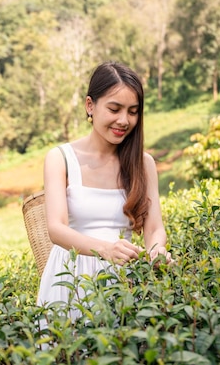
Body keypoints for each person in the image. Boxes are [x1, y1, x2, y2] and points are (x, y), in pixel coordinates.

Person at [36, 61, 171, 310]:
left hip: (125, 279)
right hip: (70, 278)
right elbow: (56, 229)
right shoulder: (61, 158)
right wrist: (106, 250)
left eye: (132, 111)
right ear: (90, 106)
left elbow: (154, 228)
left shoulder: (143, 163)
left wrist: (156, 250)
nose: (124, 120)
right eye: (114, 109)